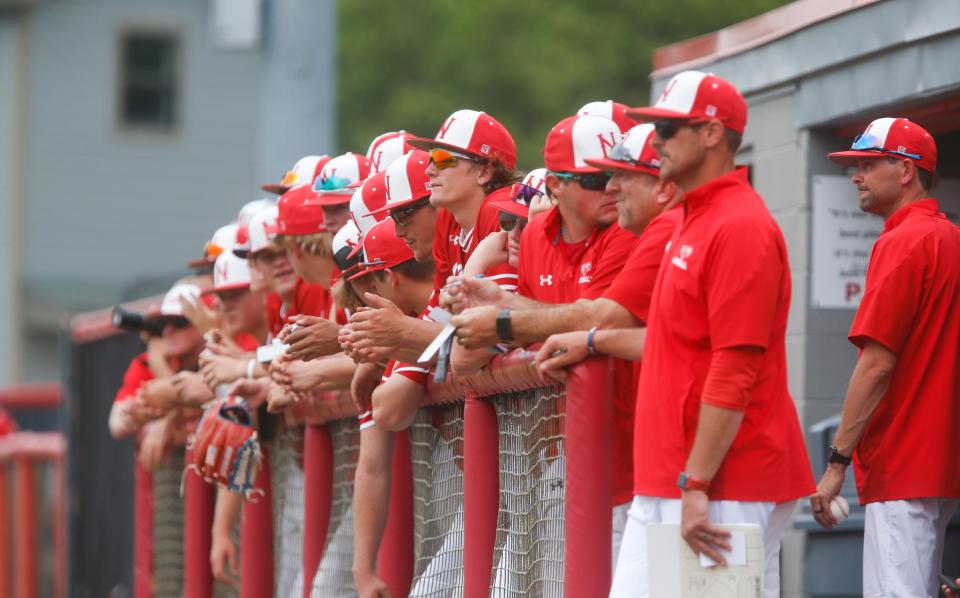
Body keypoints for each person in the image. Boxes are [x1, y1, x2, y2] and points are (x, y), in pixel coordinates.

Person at [608, 71, 814, 598]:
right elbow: (674, 345)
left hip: (723, 476)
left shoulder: (741, 224)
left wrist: (696, 483)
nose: (656, 140)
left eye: (670, 128)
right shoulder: (692, 217)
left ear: (712, 133)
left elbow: (735, 365)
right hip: (673, 474)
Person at [811, 117, 960, 598]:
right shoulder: (951, 240)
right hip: (940, 462)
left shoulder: (902, 241)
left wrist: (837, 462)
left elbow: (876, 365)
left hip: (902, 459)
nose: (855, 175)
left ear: (905, 170)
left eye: (868, 163)